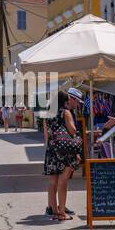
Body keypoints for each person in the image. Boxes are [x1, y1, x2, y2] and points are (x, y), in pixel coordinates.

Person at [44, 88, 84, 220]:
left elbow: (46, 136)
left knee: (52, 182)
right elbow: (72, 131)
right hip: (65, 151)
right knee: (63, 181)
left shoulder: (48, 115)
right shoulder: (65, 113)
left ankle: (54, 211)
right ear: (64, 101)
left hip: (51, 150)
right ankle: (62, 212)